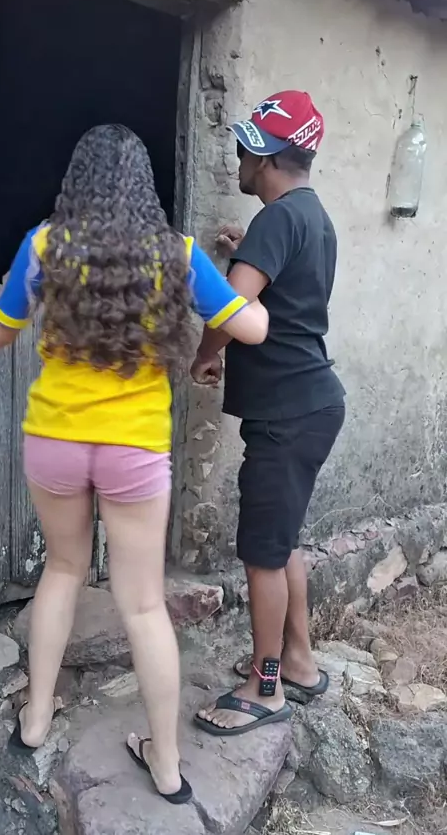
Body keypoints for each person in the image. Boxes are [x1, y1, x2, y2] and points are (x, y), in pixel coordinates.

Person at [0, 124, 269, 801]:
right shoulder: (178, 254)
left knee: (62, 570)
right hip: (134, 449)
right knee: (142, 605)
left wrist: (27, 291)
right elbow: (252, 328)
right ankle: (166, 766)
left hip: (55, 438)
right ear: (145, 187)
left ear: (76, 183)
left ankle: (35, 719)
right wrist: (240, 276)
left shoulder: (45, 245)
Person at [191, 91, 346, 736]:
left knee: (261, 552)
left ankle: (266, 685)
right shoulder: (311, 218)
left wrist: (205, 356)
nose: (238, 160)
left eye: (245, 149)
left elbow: (232, 309)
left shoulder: (277, 221)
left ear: (268, 157)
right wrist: (247, 248)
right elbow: (279, 288)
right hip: (309, 404)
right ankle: (300, 662)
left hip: (288, 413)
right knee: (283, 545)